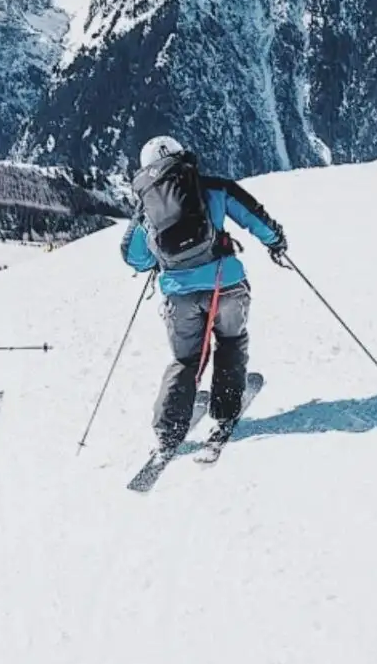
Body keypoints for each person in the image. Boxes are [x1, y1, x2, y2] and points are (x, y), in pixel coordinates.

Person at [120, 136, 286, 452]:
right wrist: (276, 241)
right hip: (227, 285)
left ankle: (169, 429)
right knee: (231, 341)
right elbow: (255, 217)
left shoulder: (147, 211)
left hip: (180, 296)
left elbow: (132, 255)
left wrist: (163, 256)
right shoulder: (214, 188)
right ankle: (225, 408)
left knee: (185, 359)